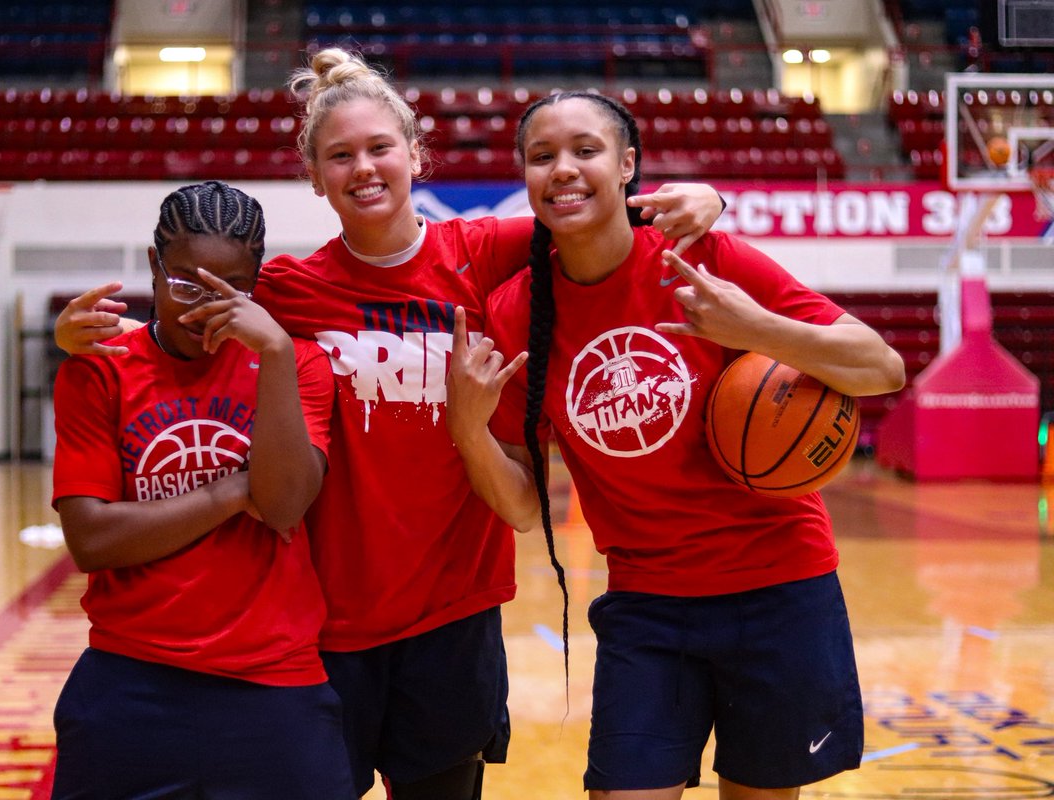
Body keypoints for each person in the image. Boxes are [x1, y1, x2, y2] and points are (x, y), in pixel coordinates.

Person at [54, 48, 725, 800]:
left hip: (451, 613)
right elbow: (189, 306)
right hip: (325, 625)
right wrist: (82, 337)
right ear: (316, 177)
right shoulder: (285, 288)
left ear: (415, 152)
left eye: (380, 148)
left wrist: (709, 200)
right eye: (340, 156)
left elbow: (596, 210)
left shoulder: (485, 252)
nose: (363, 168)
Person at [445, 91, 906, 800]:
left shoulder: (705, 259)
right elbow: (523, 508)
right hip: (649, 604)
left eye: (585, 150)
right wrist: (471, 430)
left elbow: (881, 366)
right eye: (542, 157)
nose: (563, 169)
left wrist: (756, 329)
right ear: (525, 178)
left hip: (780, 588)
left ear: (628, 165)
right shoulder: (516, 313)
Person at [50, 181, 355, 799]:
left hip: (275, 683)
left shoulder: (295, 364)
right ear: (152, 267)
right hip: (131, 681)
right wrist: (229, 494)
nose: (200, 309)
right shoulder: (99, 368)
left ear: (256, 283)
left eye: (229, 291)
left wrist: (270, 347)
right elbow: (93, 539)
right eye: (186, 283)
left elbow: (285, 503)